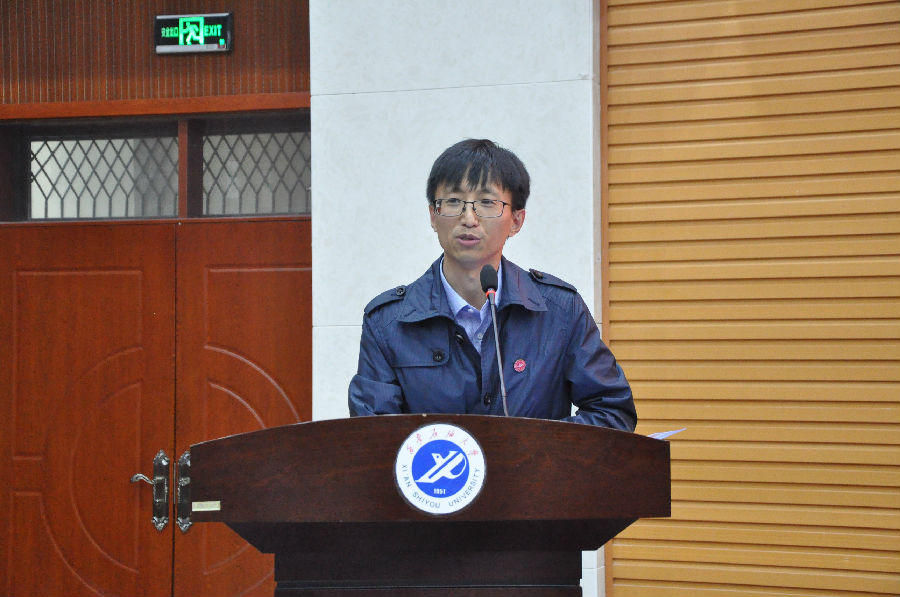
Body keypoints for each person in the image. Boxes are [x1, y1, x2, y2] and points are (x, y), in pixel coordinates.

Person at [348, 139, 636, 430]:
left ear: (516, 221)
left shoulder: (560, 311)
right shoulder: (387, 323)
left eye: (487, 202)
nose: (468, 218)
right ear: (433, 216)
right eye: (453, 201)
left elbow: (612, 411)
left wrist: (535, 448)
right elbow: (373, 435)